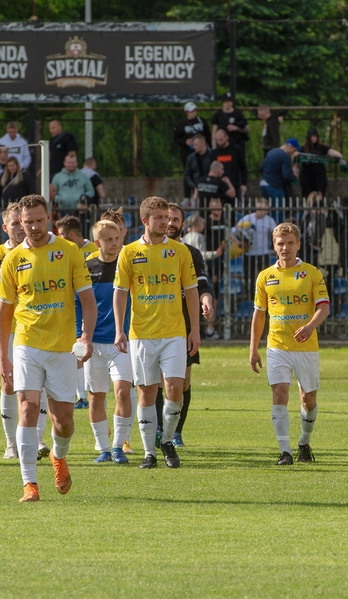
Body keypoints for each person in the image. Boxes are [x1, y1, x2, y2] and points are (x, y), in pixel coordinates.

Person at [0, 194, 96, 502]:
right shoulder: (13, 259)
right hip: (26, 343)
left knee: (63, 422)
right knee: (26, 407)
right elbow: (3, 314)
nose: (34, 227)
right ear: (20, 223)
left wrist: (86, 337)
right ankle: (30, 484)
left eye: (39, 220)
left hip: (63, 348)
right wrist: (3, 357)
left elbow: (88, 302)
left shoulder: (68, 252)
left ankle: (58, 456)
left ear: (48, 217)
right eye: (28, 222)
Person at [113, 197, 199, 469]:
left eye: (168, 217)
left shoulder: (180, 251)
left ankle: (168, 440)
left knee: (175, 388)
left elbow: (192, 292)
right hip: (141, 334)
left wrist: (194, 329)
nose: (166, 222)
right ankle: (149, 452)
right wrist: (119, 329)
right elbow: (120, 293)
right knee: (147, 393)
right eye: (160, 217)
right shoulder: (128, 252)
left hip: (174, 333)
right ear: (145, 220)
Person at [249, 222, 330, 464]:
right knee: (279, 393)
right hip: (277, 346)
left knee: (308, 398)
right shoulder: (265, 276)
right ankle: (285, 450)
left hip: (306, 347)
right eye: (280, 243)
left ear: (298, 245)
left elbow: (323, 307)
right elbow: (259, 314)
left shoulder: (312, 273)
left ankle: (304, 442)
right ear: (274, 246)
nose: (285, 248)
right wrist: (253, 349)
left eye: (290, 243)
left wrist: (309, 327)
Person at [0, 203, 50, 460]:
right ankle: (11, 444)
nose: (21, 229)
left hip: (37, 326)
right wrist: (6, 266)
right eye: (15, 224)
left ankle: (37, 440)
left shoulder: (40, 250)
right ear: (6, 226)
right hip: (8, 328)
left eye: (23, 223)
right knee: (9, 385)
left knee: (38, 386)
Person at [155, 204, 215, 448]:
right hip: (154, 324)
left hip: (184, 325)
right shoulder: (148, 251)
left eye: (175, 219)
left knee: (183, 382)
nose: (170, 223)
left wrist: (206, 300)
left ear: (183, 224)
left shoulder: (191, 253)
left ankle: (176, 430)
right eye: (166, 218)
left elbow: (201, 286)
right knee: (157, 382)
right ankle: (159, 429)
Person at [79, 219, 133, 464]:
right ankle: (102, 448)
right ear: (97, 242)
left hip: (122, 342)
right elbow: (78, 305)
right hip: (94, 343)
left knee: (123, 392)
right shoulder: (86, 268)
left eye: (117, 238)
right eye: (108, 239)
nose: (114, 243)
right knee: (96, 397)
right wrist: (81, 338)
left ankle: (118, 446)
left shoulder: (129, 264)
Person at [56, 214, 99, 410]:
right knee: (76, 349)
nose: (59, 239)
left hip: (92, 306)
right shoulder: (61, 251)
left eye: (62, 235)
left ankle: (89, 392)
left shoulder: (94, 250)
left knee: (90, 348)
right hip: (71, 306)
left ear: (71, 235)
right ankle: (81, 396)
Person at [237, 198, 278, 297]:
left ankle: (264, 297)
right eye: (259, 208)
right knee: (249, 278)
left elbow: (276, 234)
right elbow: (236, 229)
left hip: (263, 253)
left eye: (264, 209)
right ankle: (251, 297)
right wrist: (239, 241)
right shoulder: (248, 218)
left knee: (265, 278)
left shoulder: (270, 220)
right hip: (249, 253)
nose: (261, 211)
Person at [299, 127, 343, 199]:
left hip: (319, 176)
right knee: (308, 197)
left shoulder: (322, 147)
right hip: (307, 176)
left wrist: (339, 155)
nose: (313, 138)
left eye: (315, 136)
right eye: (311, 137)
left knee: (319, 197)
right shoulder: (303, 148)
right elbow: (297, 153)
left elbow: (329, 151)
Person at [260, 137, 300, 215]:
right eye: (294, 150)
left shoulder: (271, 152)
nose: (293, 152)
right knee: (278, 212)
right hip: (274, 186)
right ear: (291, 147)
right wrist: (295, 176)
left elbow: (262, 167)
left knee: (266, 211)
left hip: (263, 183)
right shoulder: (285, 156)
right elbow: (286, 174)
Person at [211, 128, 248, 202]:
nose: (219, 142)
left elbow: (243, 167)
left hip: (234, 183)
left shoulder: (236, 150)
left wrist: (243, 183)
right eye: (217, 140)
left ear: (227, 138)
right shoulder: (215, 152)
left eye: (221, 140)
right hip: (220, 185)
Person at [173, 102, 211, 170]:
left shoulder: (201, 121)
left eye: (194, 110)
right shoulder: (181, 124)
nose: (194, 113)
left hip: (202, 150)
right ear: (187, 112)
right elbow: (176, 139)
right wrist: (185, 142)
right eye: (191, 111)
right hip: (188, 151)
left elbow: (208, 134)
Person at [185, 134, 214, 202]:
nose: (194, 147)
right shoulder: (191, 158)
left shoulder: (212, 155)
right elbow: (187, 175)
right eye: (193, 145)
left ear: (203, 143)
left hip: (210, 188)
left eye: (196, 144)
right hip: (196, 188)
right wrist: (194, 186)